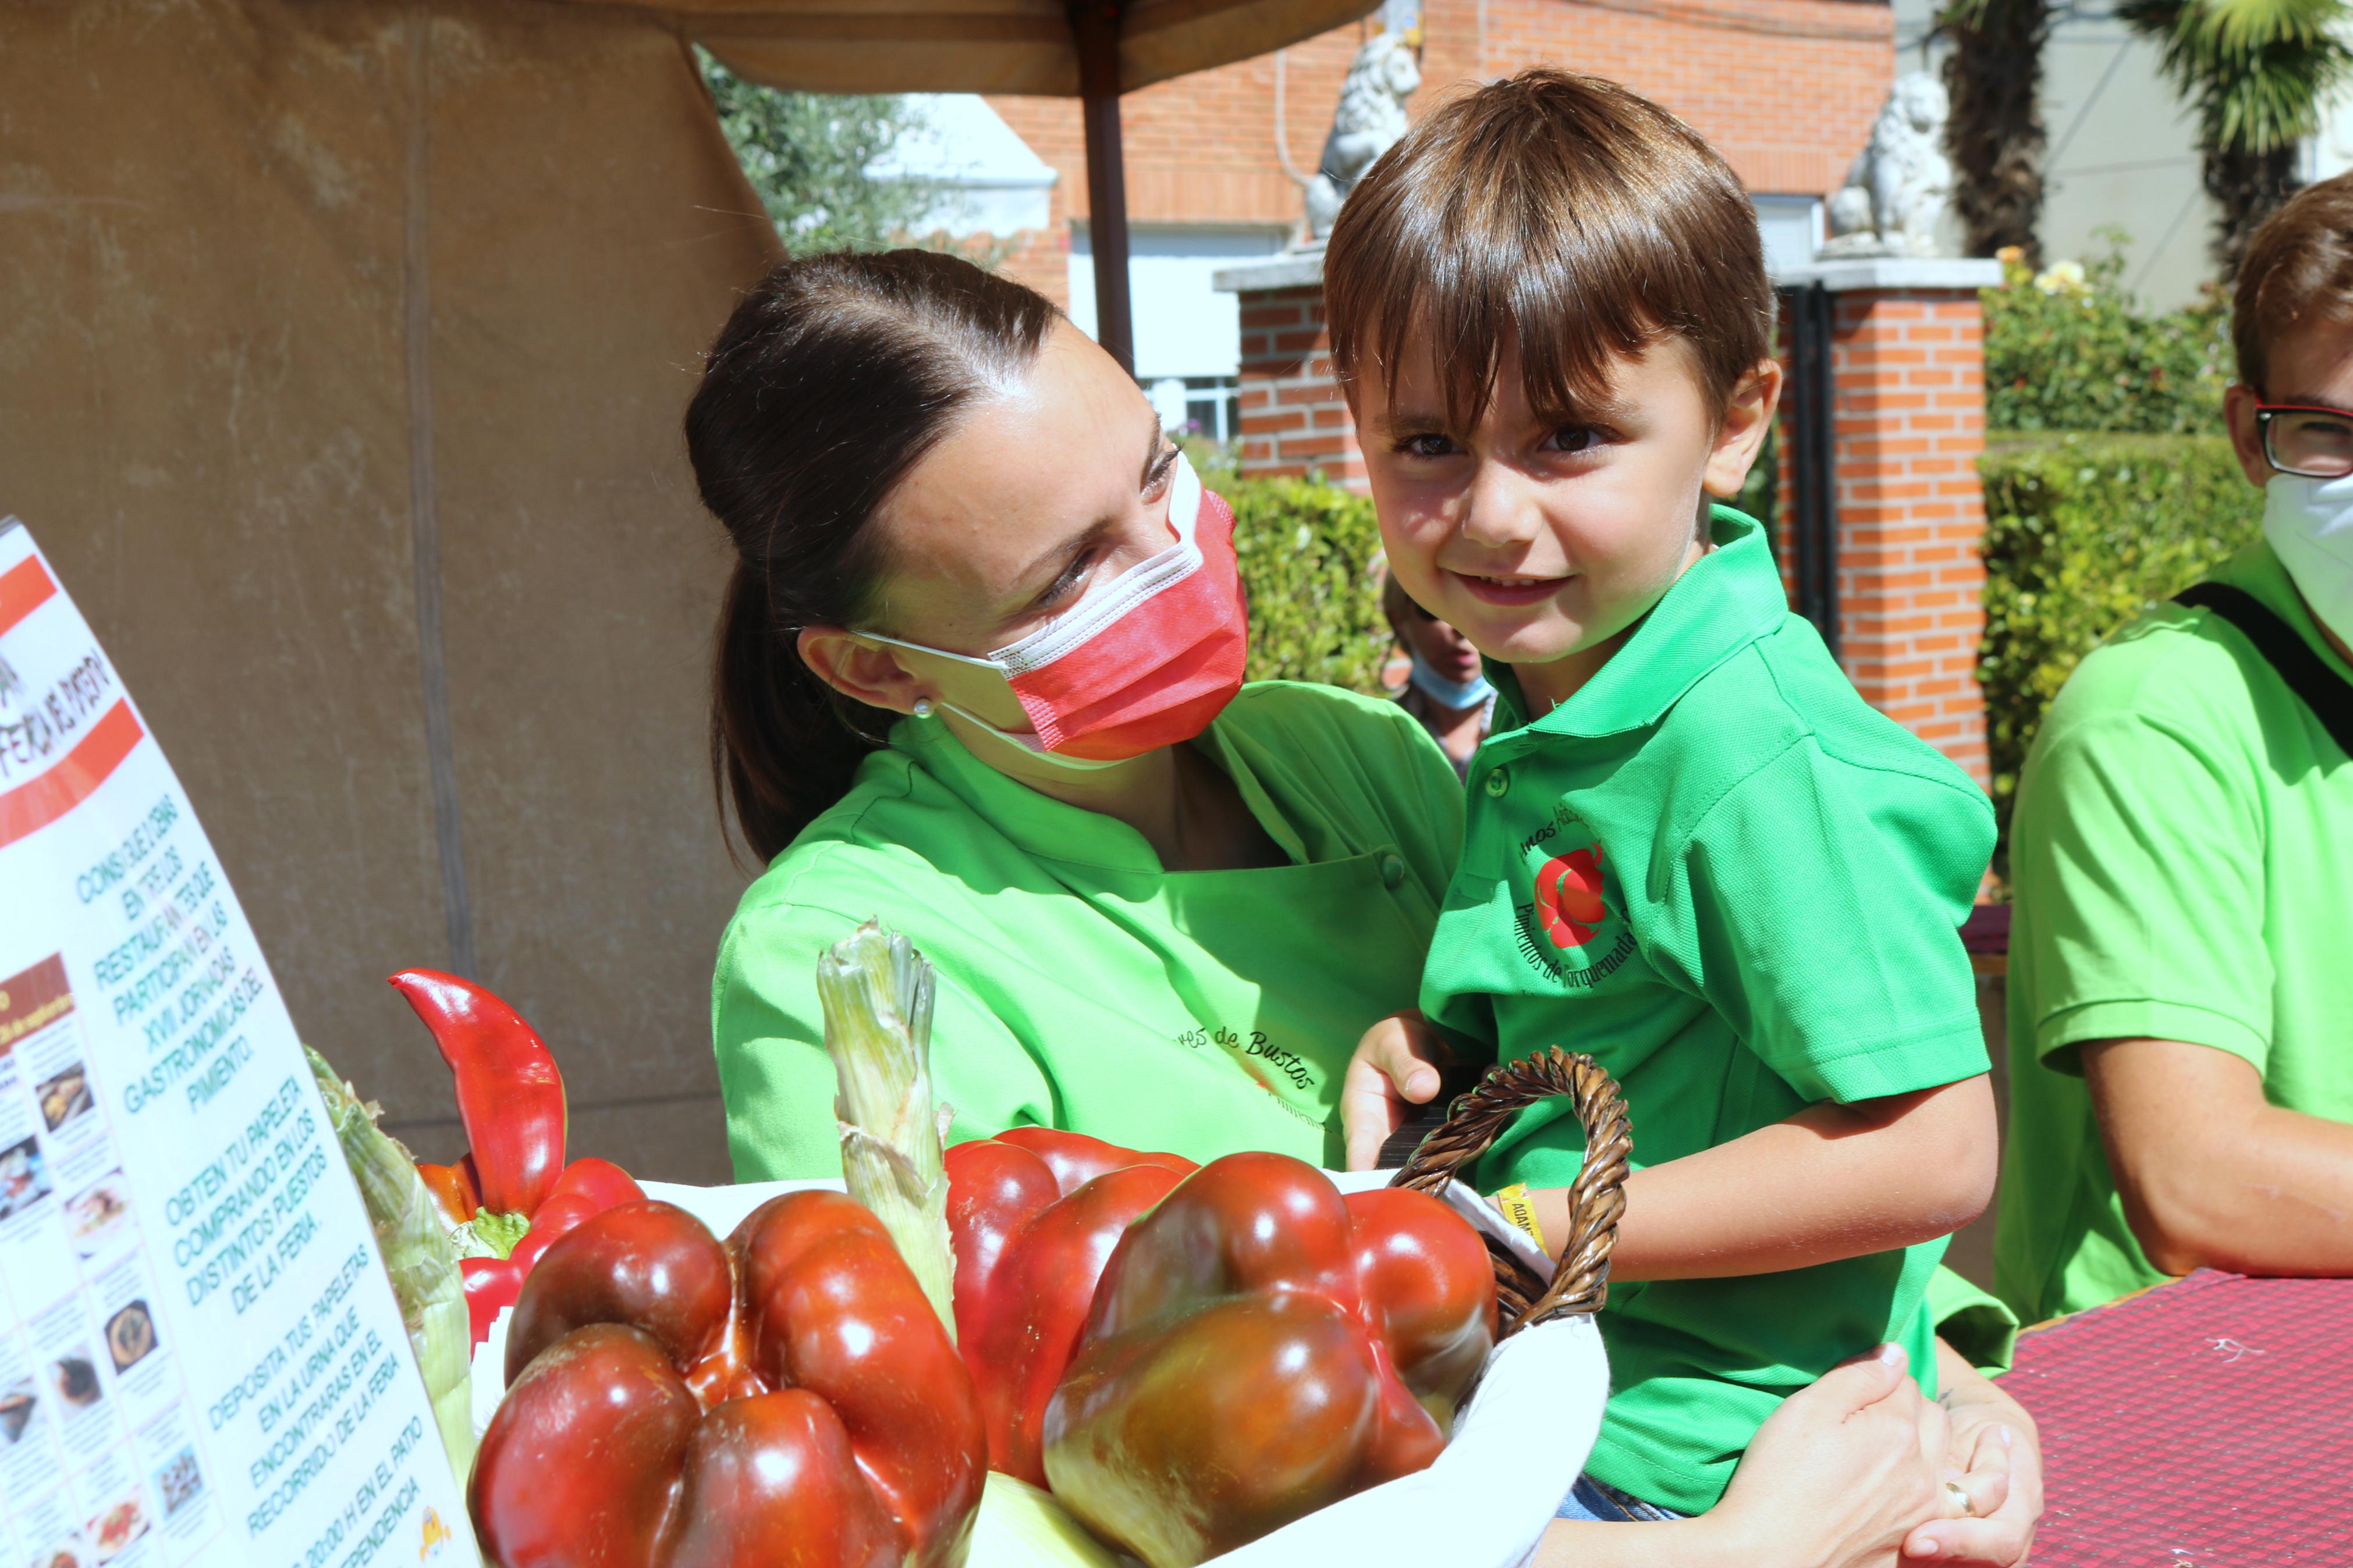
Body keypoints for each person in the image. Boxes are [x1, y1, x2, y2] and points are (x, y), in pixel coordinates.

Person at [684, 246, 2037, 1565]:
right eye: (1069, 575)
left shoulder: (1358, 758)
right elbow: (980, 1506)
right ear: (872, 665)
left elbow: (1702, 1079)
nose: (1172, 553)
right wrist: (1732, 1553)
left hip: (1693, 1447)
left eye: (1160, 471)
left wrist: (1953, 1402)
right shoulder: (841, 963)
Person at [1327, 72, 2001, 1527]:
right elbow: (1635, 1008)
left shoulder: (1752, 756)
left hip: (1685, 1470)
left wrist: (1549, 1220)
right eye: (1427, 442)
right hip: (1567, 1410)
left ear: (1738, 421)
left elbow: (1934, 1145)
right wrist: (1442, 1047)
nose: (1493, 513)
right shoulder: (1572, 694)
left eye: (1567, 436)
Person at [1993, 175, 2353, 1323]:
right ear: (2248, 438)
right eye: (2327, 433)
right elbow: (2195, 1177)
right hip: (2174, 1425)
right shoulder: (2153, 717)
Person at [1383, 570, 1494, 777]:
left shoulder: (1539, 724)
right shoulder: (1377, 734)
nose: (1461, 630)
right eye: (1436, 610)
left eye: (1483, 607)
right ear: (1399, 621)